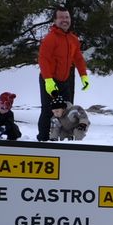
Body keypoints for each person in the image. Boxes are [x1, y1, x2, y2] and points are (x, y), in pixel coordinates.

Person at [37, 7, 90, 142]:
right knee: (49, 111)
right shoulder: (50, 39)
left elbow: (78, 58)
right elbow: (43, 60)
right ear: (55, 20)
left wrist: (83, 75)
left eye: (67, 17)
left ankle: (65, 140)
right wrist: (48, 80)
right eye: (61, 17)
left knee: (67, 111)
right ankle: (43, 140)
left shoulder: (73, 39)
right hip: (50, 81)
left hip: (65, 81)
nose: (65, 20)